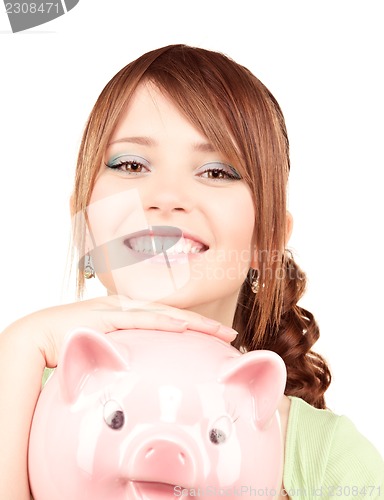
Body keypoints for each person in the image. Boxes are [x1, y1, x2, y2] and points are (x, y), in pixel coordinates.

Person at [0, 44, 383, 500]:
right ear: (85, 223)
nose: (165, 196)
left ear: (271, 236)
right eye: (130, 164)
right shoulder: (18, 393)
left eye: (217, 171)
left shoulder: (332, 461)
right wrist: (20, 347)